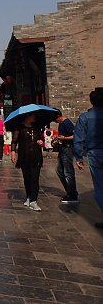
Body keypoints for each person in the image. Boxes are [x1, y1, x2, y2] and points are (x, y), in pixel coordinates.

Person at [74, 89, 103, 227]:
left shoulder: (85, 117)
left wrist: (78, 156)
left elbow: (78, 139)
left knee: (99, 189)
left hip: (94, 153)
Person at [11, 112, 45, 211]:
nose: (35, 117)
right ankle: (29, 196)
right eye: (33, 115)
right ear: (27, 116)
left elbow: (41, 139)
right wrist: (13, 152)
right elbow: (14, 141)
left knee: (34, 179)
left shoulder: (37, 127)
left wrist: (41, 142)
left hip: (36, 156)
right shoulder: (19, 127)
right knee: (27, 178)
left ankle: (34, 201)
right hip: (24, 156)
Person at [53, 110, 77, 203]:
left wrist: (64, 138)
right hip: (63, 148)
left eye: (55, 119)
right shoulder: (62, 123)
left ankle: (72, 195)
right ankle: (71, 191)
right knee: (59, 170)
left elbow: (75, 135)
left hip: (68, 148)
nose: (54, 121)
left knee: (68, 172)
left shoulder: (67, 123)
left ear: (58, 116)